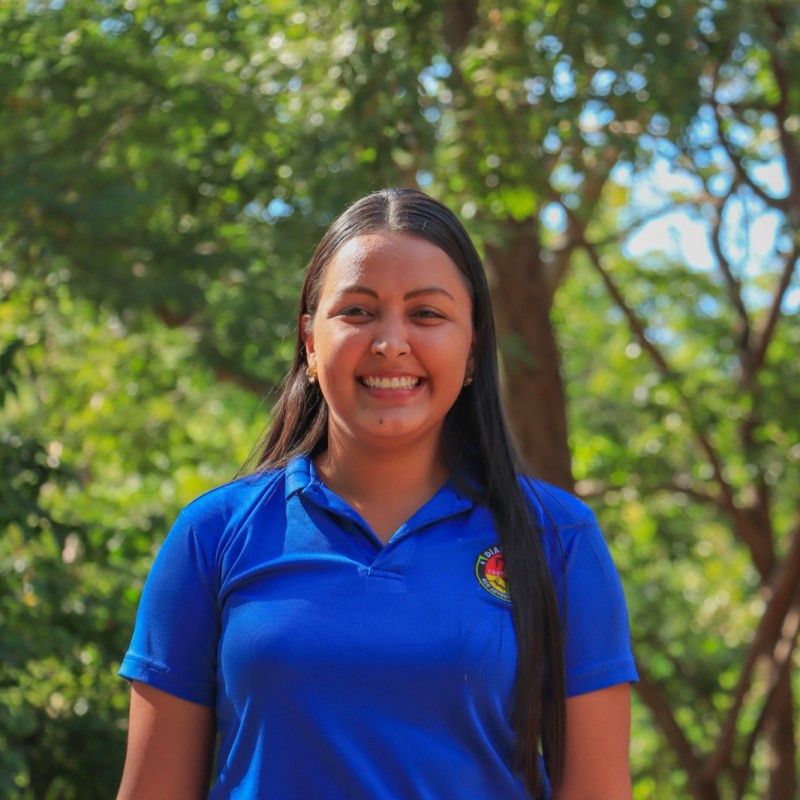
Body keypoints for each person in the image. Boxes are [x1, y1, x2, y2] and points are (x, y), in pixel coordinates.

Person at [116, 188, 638, 800]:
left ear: (472, 346)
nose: (391, 342)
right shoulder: (213, 536)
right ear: (310, 342)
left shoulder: (558, 538)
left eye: (427, 314)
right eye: (358, 311)